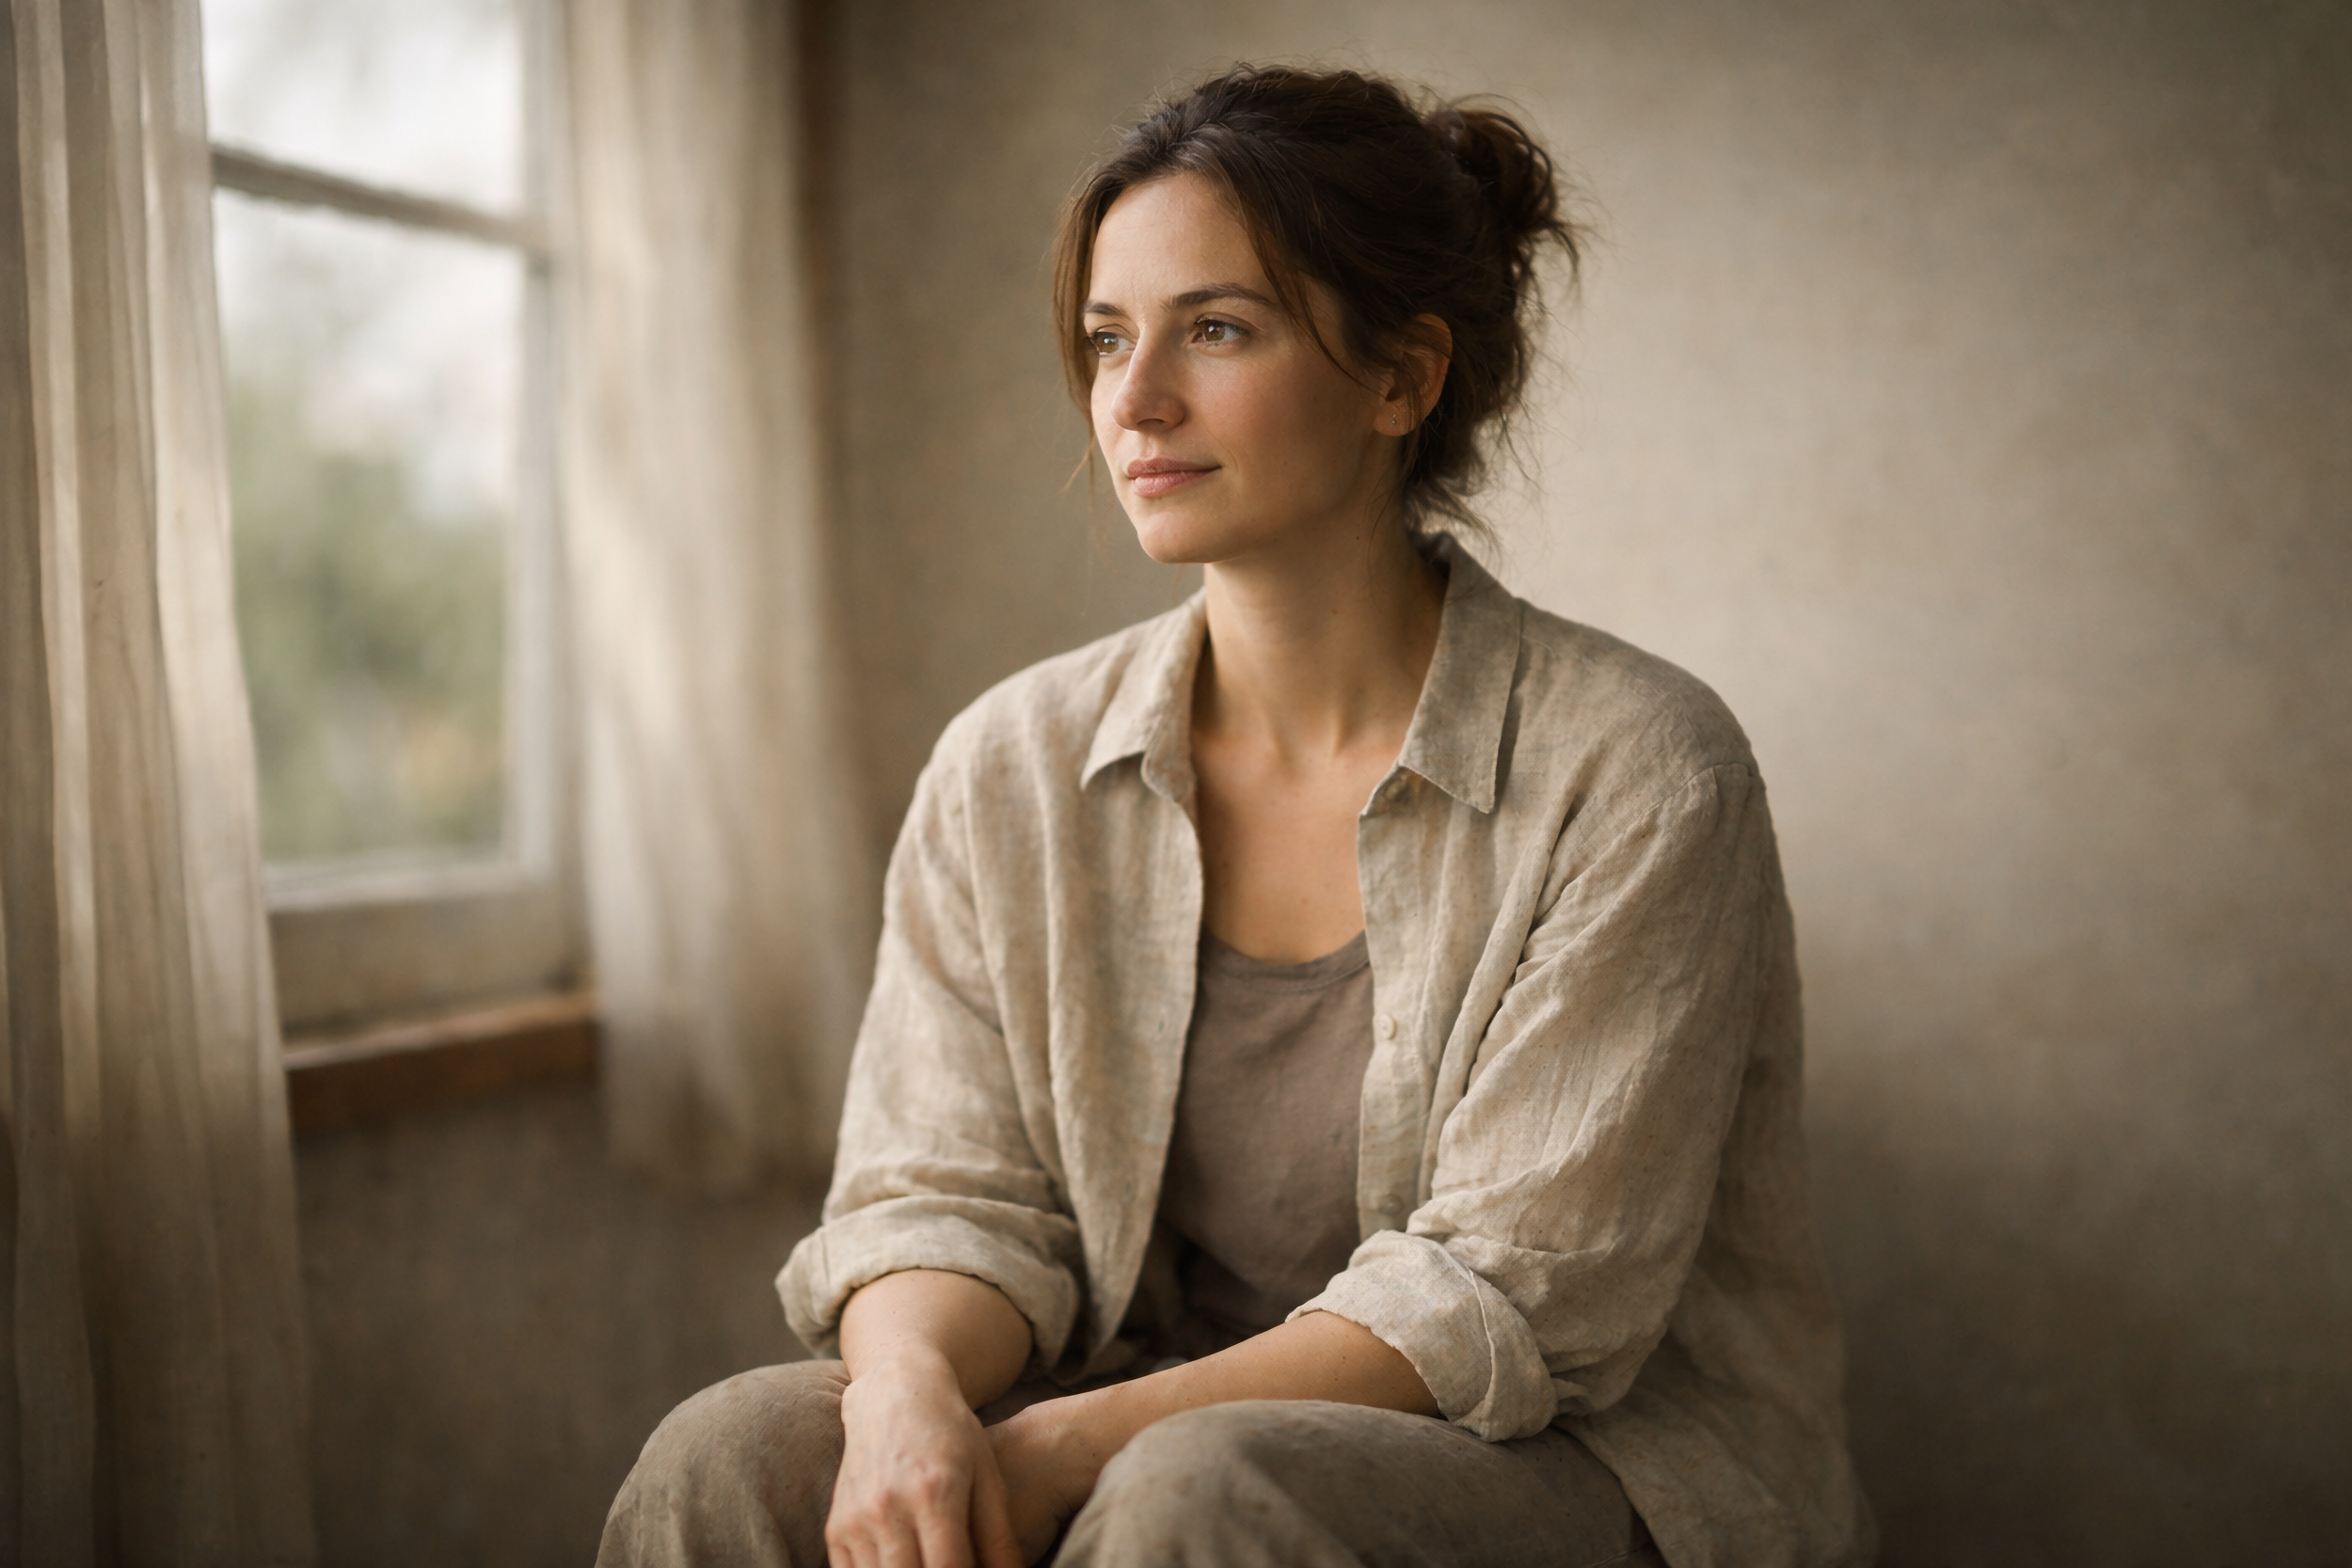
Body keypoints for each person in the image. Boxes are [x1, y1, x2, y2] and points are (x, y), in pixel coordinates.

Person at [599, 64, 1874, 1568]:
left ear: (1402, 379)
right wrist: (902, 1398)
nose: (1133, 399)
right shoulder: (1010, 765)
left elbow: (1512, 1296)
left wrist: (1062, 1445)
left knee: (1193, 1487)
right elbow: (944, 1193)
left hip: (1573, 1456)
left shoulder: (1642, 770)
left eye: (1216, 328)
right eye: (1106, 337)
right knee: (732, 1450)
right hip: (1150, 1396)